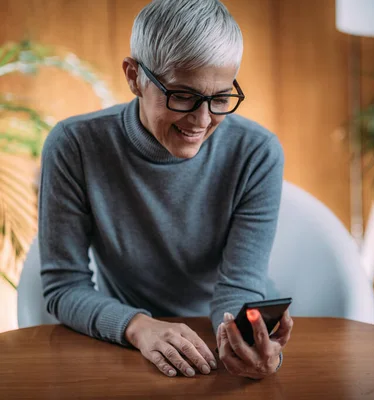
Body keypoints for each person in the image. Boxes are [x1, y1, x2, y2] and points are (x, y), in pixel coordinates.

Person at [38, 0, 292, 380]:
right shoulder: (74, 145)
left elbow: (240, 283)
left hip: (215, 334)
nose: (202, 121)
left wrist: (247, 340)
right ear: (133, 76)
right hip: (125, 333)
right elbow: (63, 287)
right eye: (183, 96)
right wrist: (139, 327)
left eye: (221, 98)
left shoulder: (257, 152)